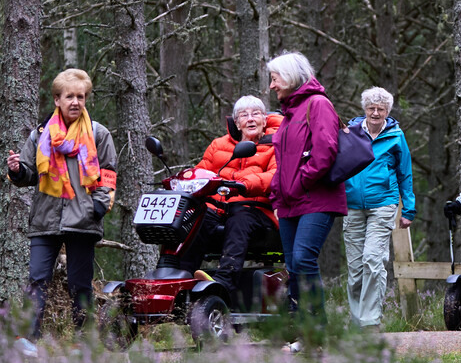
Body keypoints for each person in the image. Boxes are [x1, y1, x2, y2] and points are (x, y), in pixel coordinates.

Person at [5, 68, 117, 345]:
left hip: (83, 220)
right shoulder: (40, 135)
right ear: (57, 99)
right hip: (46, 219)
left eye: (81, 96)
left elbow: (108, 174)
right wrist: (18, 170)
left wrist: (97, 207)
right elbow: (29, 174)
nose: (75, 102)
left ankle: (83, 340)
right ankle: (29, 341)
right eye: (69, 96)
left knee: (80, 284)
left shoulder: (97, 133)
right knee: (37, 279)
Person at [174, 96, 279, 294]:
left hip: (256, 209)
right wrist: (184, 182)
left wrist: (244, 185)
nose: (250, 119)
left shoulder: (276, 145)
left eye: (255, 114)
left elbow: (274, 176)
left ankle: (223, 284)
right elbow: (202, 171)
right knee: (197, 218)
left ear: (265, 120)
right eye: (244, 115)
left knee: (240, 217)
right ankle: (181, 279)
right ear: (237, 123)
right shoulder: (218, 145)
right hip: (219, 207)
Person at [269, 52, 347, 317]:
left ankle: (317, 330)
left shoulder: (318, 104)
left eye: (275, 78)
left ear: (290, 77)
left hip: (317, 198)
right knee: (293, 265)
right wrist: (278, 193)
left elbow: (325, 153)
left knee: (303, 259)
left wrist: (299, 183)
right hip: (290, 202)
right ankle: (300, 331)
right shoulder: (290, 113)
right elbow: (285, 160)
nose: (272, 85)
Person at [342, 86, 416, 329]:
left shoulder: (396, 135)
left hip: (383, 204)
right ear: (364, 110)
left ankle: (370, 321)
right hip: (351, 205)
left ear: (387, 112)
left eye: (380, 109)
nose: (375, 113)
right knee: (355, 269)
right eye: (371, 108)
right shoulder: (350, 132)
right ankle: (356, 322)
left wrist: (408, 210)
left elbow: (405, 173)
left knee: (373, 260)